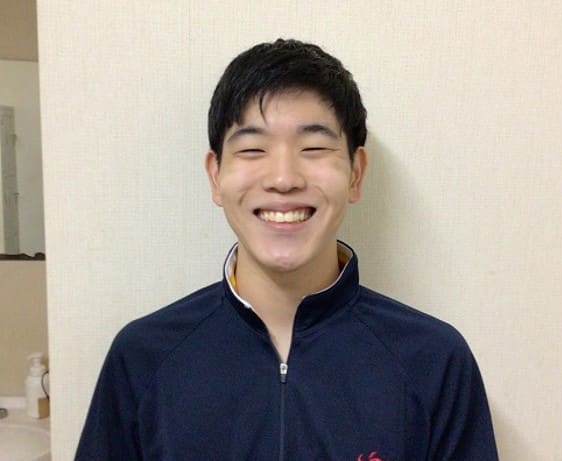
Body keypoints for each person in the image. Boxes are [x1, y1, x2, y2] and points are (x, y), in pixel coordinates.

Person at [75, 39, 498, 460]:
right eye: (252, 149)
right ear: (215, 176)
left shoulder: (435, 362)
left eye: (313, 149)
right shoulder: (143, 359)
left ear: (355, 174)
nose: (283, 179)